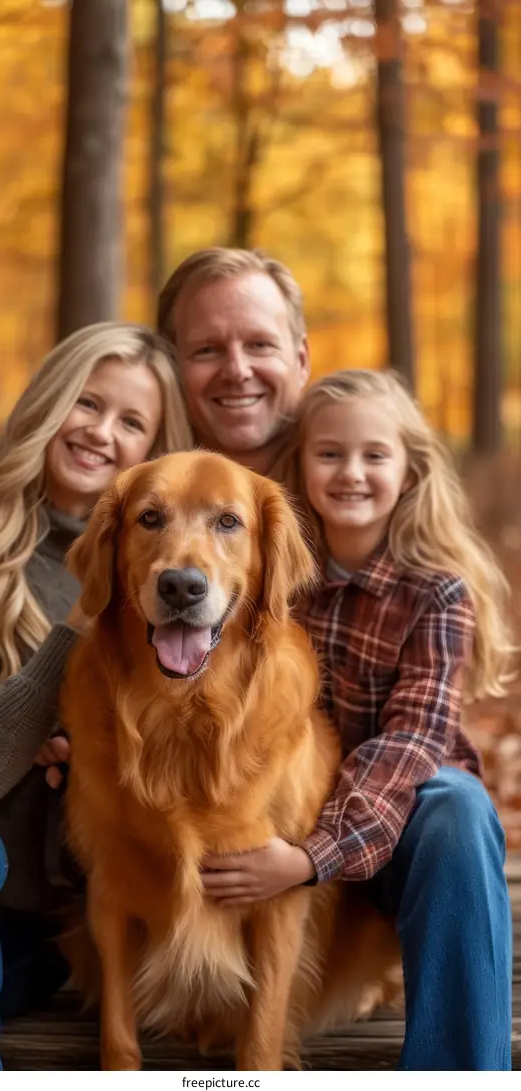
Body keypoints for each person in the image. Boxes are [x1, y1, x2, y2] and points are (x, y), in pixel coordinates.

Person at [200, 368, 514, 1071]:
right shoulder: (271, 578)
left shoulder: (437, 594)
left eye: (375, 455)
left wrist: (314, 855)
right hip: (277, 823)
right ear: (299, 465)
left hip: (394, 838)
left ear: (408, 471)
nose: (352, 472)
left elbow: (412, 740)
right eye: (330, 453)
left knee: (457, 801)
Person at [0, 322, 193, 1071]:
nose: (101, 432)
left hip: (85, 923)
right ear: (47, 402)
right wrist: (74, 637)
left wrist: (95, 747)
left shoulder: (171, 578)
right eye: (87, 402)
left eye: (131, 421)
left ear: (153, 451)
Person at [157, 247, 310, 479]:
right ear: (170, 365)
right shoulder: (124, 499)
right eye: (207, 350)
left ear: (302, 361)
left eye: (260, 345)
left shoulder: (366, 495)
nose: (237, 371)